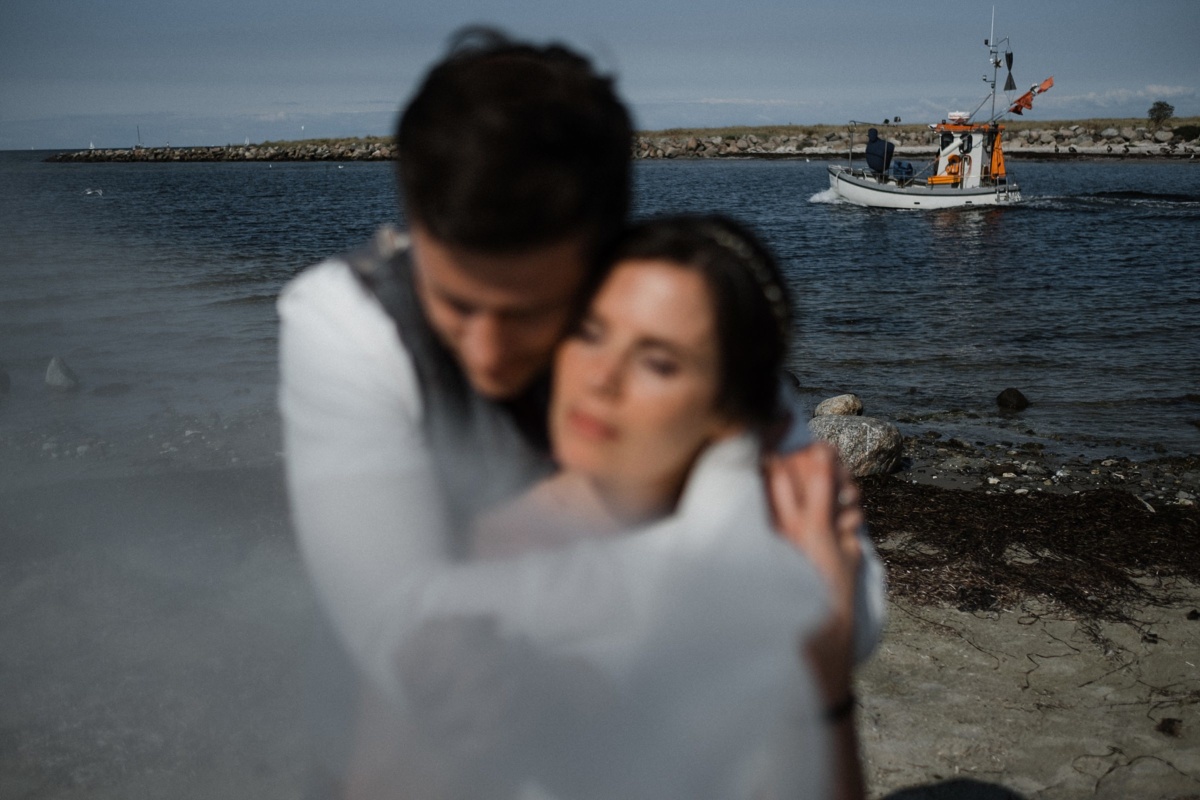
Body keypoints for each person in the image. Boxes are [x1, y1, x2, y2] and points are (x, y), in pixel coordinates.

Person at [277, 27, 883, 798]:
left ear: (602, 253)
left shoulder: (666, 307)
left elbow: (849, 610)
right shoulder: (345, 324)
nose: (489, 354)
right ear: (414, 231)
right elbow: (402, 633)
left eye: (534, 313)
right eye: (456, 305)